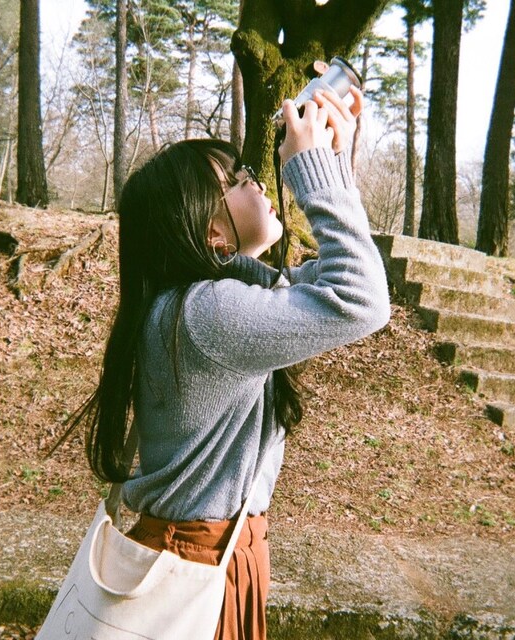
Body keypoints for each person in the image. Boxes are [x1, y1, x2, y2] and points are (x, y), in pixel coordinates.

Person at [77, 86, 390, 639]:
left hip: (204, 554)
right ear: (212, 230)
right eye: (239, 180)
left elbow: (341, 274)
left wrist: (334, 166)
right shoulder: (209, 314)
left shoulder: (189, 305)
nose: (258, 183)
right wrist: (314, 171)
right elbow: (361, 298)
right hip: (197, 568)